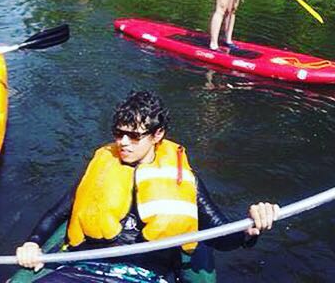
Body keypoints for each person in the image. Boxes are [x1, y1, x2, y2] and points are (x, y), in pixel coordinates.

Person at [16, 91, 279, 282]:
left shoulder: (183, 180)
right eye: (119, 134)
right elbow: (57, 214)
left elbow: (221, 236)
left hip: (144, 276)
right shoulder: (102, 167)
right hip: (82, 271)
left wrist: (251, 228)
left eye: (134, 136)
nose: (124, 143)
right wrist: (33, 243)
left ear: (157, 135)